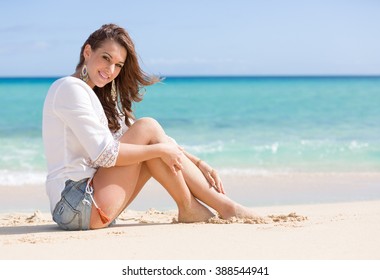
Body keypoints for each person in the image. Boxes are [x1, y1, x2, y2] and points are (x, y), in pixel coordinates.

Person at [42, 23, 257, 230]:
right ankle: (205, 207)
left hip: (87, 207)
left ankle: (208, 207)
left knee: (150, 137)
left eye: (118, 65)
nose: (110, 70)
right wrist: (161, 149)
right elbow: (105, 154)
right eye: (106, 58)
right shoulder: (69, 88)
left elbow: (153, 139)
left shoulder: (92, 96)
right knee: (149, 129)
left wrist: (198, 162)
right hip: (76, 204)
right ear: (87, 52)